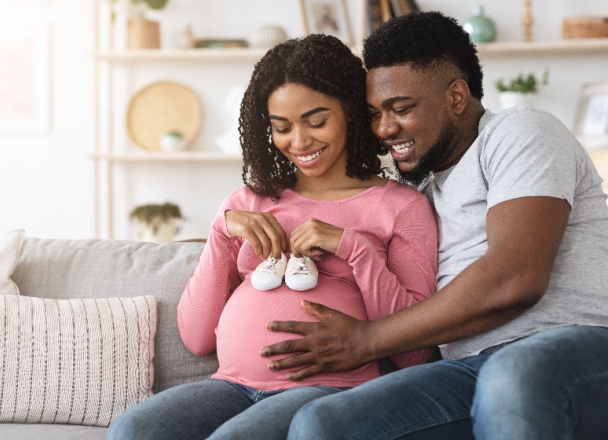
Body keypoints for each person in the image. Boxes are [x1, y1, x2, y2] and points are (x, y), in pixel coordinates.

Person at [257, 11, 608, 440]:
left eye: (400, 108)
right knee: (324, 424)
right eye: (373, 113)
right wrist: (233, 225)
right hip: (468, 368)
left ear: (456, 96)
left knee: (513, 376)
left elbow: (515, 278)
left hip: (576, 349)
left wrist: (368, 340)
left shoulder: (518, 131)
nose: (384, 129)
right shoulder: (415, 192)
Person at [105, 34, 438, 440]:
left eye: (316, 122)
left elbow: (416, 352)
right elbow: (195, 337)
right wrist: (222, 231)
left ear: (350, 111)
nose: (299, 142)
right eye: (282, 128)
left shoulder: (399, 207)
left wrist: (355, 249)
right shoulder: (249, 201)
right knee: (132, 430)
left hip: (331, 389)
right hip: (229, 385)